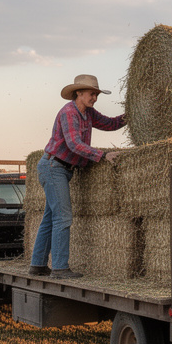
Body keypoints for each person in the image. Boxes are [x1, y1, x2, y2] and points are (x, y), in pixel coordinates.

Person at [29, 74, 125, 279]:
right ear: (79, 93)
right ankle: (60, 268)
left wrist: (134, 113)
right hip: (53, 166)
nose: (95, 98)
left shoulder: (88, 113)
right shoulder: (69, 113)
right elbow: (74, 144)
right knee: (63, 217)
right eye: (92, 94)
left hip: (60, 168)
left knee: (50, 218)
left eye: (97, 95)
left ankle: (37, 265)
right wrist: (103, 155)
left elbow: (110, 124)